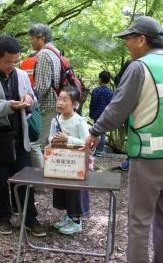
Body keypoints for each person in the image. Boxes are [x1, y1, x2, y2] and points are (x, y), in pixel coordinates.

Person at [83, 16, 163, 263]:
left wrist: (95, 131)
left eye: (129, 39)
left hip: (150, 156)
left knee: (140, 220)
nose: (127, 44)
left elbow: (118, 108)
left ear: (142, 40)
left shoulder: (140, 67)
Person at [0, 36, 46, 236]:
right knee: (0, 178)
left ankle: (30, 218)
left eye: (15, 61)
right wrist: (7, 106)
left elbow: (33, 100)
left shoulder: (21, 75)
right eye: (7, 62)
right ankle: (3, 217)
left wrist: (29, 100)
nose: (11, 66)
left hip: (20, 134)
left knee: (24, 178)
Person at [48, 87, 90, 234]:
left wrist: (68, 138)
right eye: (59, 98)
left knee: (74, 191)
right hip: (61, 161)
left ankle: (77, 221)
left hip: (76, 163)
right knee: (63, 188)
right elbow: (50, 137)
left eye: (65, 99)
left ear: (74, 104)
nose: (60, 102)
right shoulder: (56, 119)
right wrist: (53, 139)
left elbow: (86, 142)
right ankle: (69, 216)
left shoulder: (78, 121)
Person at [28, 23, 61, 168]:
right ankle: (52, 171)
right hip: (58, 103)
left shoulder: (43, 54)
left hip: (48, 106)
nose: (31, 41)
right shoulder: (56, 52)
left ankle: (40, 178)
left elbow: (42, 87)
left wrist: (30, 102)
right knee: (49, 141)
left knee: (34, 144)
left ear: (41, 38)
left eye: (32, 38)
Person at [89, 70, 113, 157]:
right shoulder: (111, 92)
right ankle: (99, 149)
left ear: (100, 79)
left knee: (97, 131)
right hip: (106, 115)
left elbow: (92, 104)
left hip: (96, 115)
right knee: (103, 132)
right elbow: (112, 105)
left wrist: (91, 114)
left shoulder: (96, 91)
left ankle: (98, 149)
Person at [114, 59, 132, 171]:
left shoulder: (132, 64)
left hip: (130, 107)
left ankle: (131, 161)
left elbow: (118, 81)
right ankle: (132, 160)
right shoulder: (137, 64)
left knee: (131, 134)